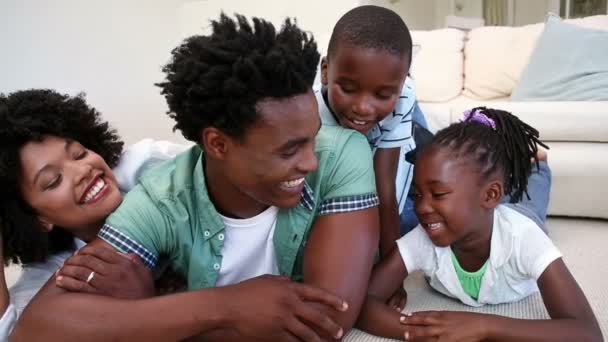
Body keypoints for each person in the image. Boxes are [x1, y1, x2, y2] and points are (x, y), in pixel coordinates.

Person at [12, 13, 380, 341]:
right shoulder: (159, 199)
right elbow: (35, 329)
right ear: (218, 144)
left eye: (313, 137)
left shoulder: (342, 153)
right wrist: (227, 306)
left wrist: (156, 311)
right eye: (288, 151)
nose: (311, 162)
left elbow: (328, 320)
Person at [356, 107, 603, 341]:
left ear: (490, 195)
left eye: (438, 194)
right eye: (418, 194)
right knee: (482, 198)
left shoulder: (524, 237)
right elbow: (363, 300)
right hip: (483, 208)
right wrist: (413, 331)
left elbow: (586, 332)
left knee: (531, 200)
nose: (421, 207)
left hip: (521, 217)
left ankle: (536, 163)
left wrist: (484, 326)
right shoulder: (425, 237)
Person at [0, 88, 193, 337]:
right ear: (37, 219)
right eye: (53, 181)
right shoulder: (55, 277)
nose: (82, 170)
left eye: (79, 154)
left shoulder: (147, 166)